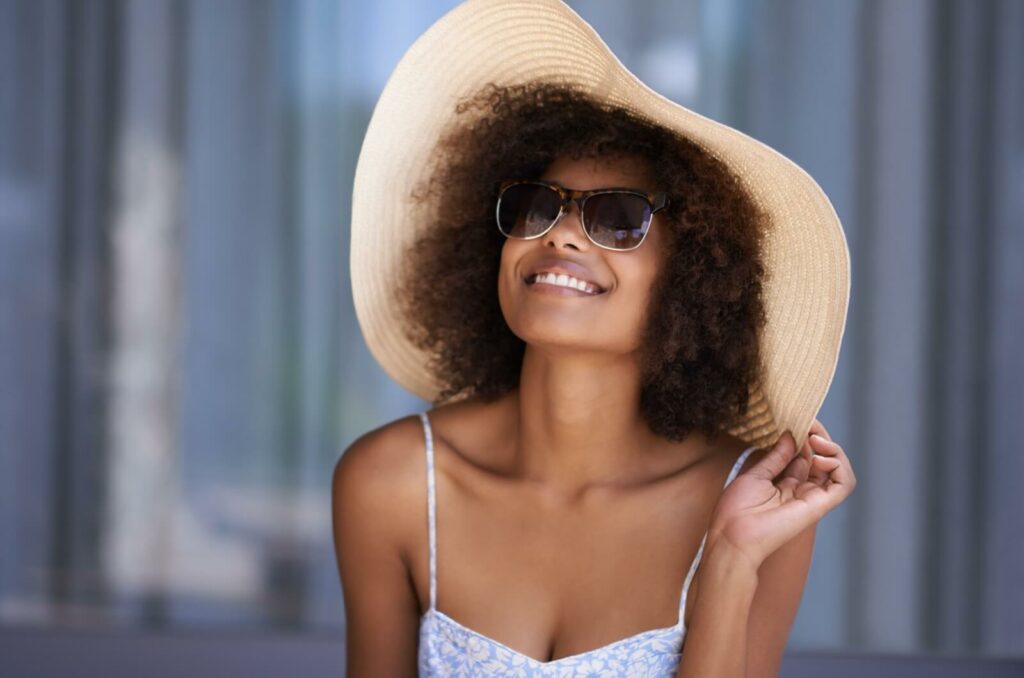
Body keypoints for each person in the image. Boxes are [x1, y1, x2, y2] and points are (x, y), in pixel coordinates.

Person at [334, 2, 855, 677]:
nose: (561, 233)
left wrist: (728, 560)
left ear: (693, 274)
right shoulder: (393, 483)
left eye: (618, 217)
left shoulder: (752, 505)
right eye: (536, 204)